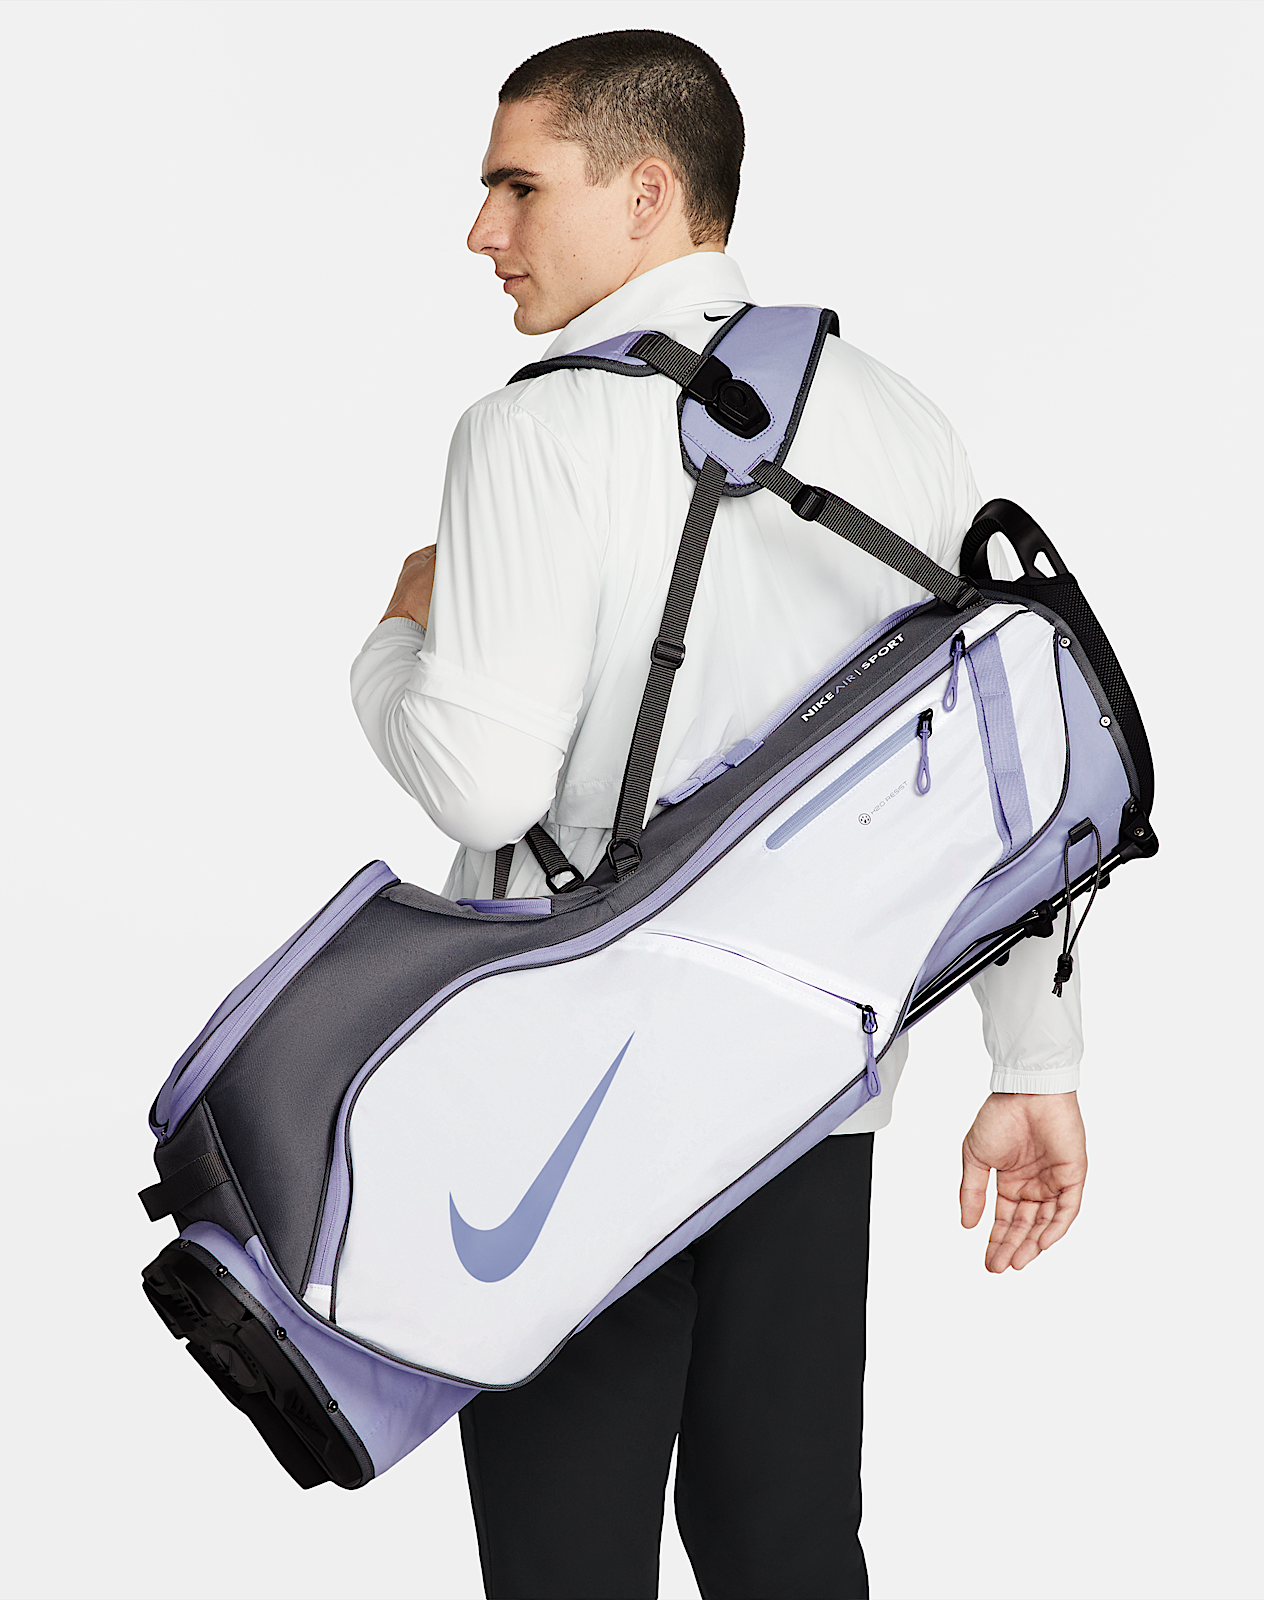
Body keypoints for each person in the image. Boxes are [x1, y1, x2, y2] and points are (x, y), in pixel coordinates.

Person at [351, 30, 1087, 1600]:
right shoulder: (901, 422)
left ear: (646, 193)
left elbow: (482, 784)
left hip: (569, 1105)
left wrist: (397, 639)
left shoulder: (529, 432)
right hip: (811, 1083)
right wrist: (1035, 1062)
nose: (481, 231)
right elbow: (999, 772)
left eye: (516, 186)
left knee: (566, 1565)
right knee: (790, 1548)